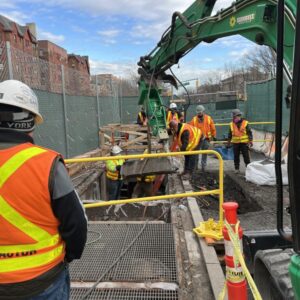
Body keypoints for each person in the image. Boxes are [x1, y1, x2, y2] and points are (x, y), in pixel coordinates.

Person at [0, 80, 87, 300]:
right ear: (29, 121)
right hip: (42, 282)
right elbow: (76, 223)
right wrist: (70, 256)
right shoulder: (47, 163)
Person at [189, 104, 217, 171]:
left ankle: (203, 167)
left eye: (200, 112)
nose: (199, 113)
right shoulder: (194, 120)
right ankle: (195, 167)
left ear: (203, 111)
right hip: (197, 140)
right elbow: (190, 129)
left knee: (204, 153)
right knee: (196, 154)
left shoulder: (208, 118)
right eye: (198, 112)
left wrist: (214, 136)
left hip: (206, 139)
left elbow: (213, 128)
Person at [228, 109, 253, 173]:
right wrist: (228, 142)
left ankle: (248, 169)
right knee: (236, 156)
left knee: (246, 156)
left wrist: (250, 140)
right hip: (235, 143)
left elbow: (249, 132)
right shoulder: (231, 124)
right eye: (233, 117)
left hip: (244, 143)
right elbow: (230, 134)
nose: (234, 118)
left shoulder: (245, 123)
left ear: (239, 116)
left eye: (235, 117)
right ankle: (237, 169)